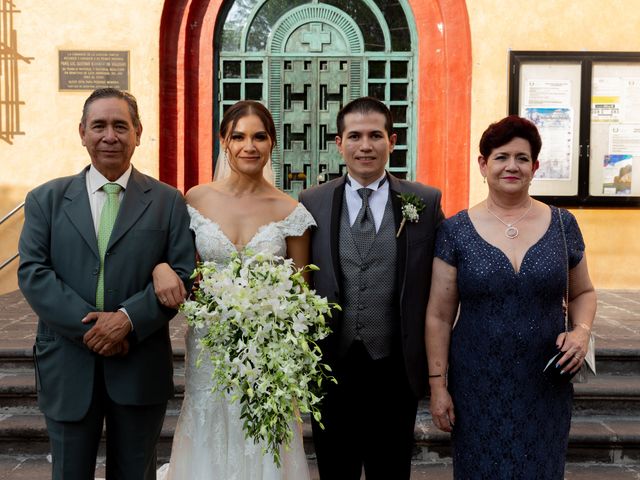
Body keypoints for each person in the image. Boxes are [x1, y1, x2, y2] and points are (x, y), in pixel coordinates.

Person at [17, 88, 196, 479]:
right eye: (99, 125)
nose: (109, 136)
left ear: (138, 132)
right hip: (67, 362)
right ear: (82, 132)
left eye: (120, 125)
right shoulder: (45, 199)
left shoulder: (168, 201)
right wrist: (96, 327)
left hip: (139, 361)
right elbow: (34, 272)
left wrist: (128, 319)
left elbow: (185, 275)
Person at [426, 115, 597, 479]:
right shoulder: (455, 230)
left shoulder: (562, 224)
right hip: (477, 383)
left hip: (544, 381)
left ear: (535, 167)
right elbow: (439, 316)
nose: (511, 166)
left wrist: (581, 330)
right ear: (483, 164)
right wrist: (438, 386)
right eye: (501, 157)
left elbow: (583, 291)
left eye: (522, 158)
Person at [153, 100, 316, 479]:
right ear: (224, 143)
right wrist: (160, 267)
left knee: (263, 437)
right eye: (239, 136)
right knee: (208, 420)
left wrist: (273, 328)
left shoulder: (290, 211)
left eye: (260, 137)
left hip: (267, 352)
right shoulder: (194, 199)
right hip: (210, 344)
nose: (250, 146)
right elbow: (171, 260)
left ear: (272, 144)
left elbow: (301, 294)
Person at [299, 96, 445, 479]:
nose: (366, 146)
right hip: (332, 362)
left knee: (391, 469)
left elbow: (443, 278)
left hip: (395, 364)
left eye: (376, 136)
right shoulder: (311, 202)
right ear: (339, 143)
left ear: (392, 141)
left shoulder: (424, 202)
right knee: (335, 468)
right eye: (355, 136)